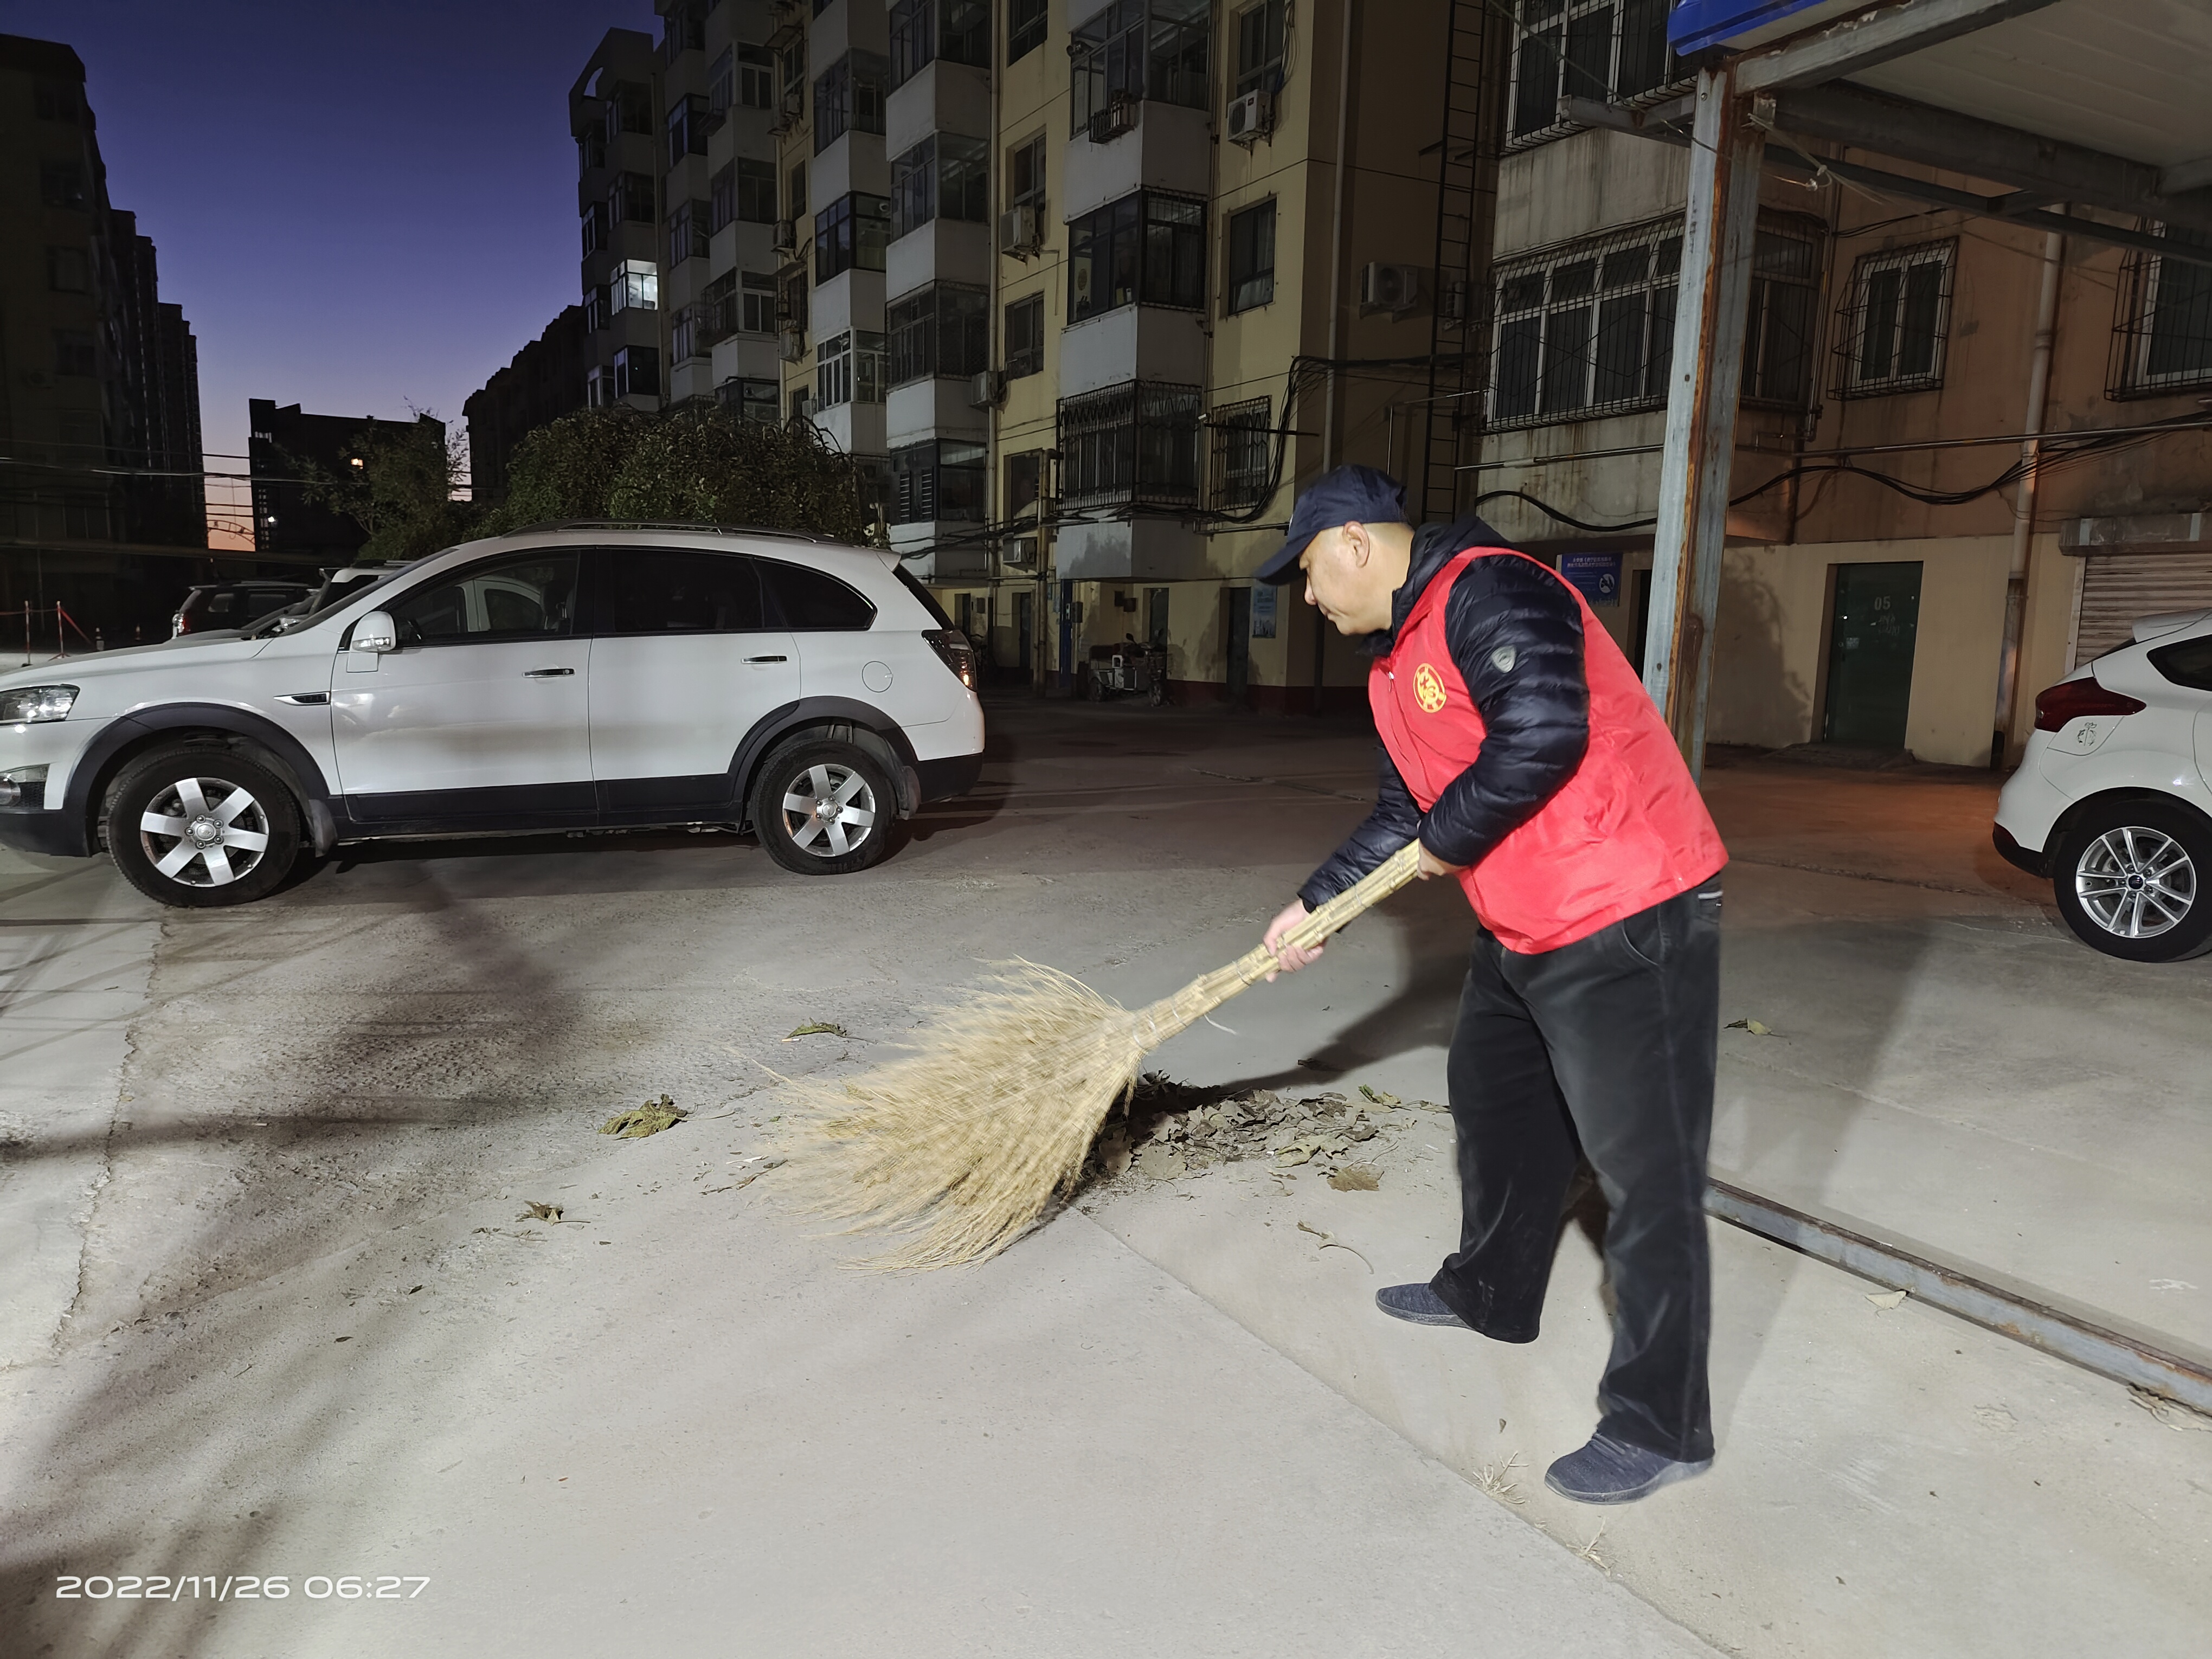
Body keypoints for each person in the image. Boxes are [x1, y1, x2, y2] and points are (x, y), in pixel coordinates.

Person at [1257, 465, 1728, 1505]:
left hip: (1624, 906)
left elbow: (1546, 732)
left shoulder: (1490, 587)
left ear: (1355, 543)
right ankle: (1491, 1291)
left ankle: (1663, 1424)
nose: (1307, 596)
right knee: (1495, 1102)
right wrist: (1315, 905)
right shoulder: (1392, 668)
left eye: (1309, 572)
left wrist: (1443, 843)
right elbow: (1403, 813)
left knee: (1645, 1174)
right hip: (1523, 914)